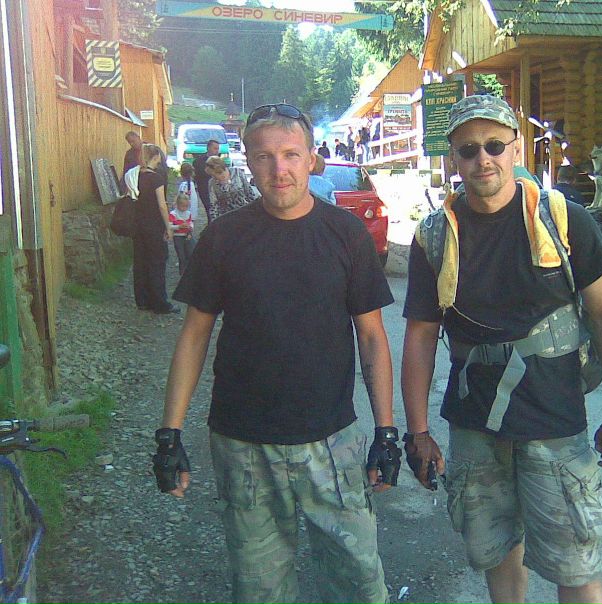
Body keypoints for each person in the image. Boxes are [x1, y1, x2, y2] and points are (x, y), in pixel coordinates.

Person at [152, 102, 400, 604]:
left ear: (312, 159)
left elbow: (373, 337)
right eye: (264, 156)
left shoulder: (346, 234)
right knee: (260, 590)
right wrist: (169, 433)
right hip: (243, 444)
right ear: (248, 161)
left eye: (290, 154)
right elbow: (194, 335)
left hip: (331, 440)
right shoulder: (223, 237)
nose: (278, 169)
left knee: (359, 583)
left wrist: (387, 433)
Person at [400, 95, 602, 604]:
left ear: (515, 148)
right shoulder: (435, 236)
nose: (482, 159)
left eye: (494, 145)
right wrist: (417, 432)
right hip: (474, 424)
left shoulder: (564, 220)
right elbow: (420, 336)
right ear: (453, 158)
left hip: (555, 420)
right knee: (497, 556)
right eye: (468, 150)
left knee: (576, 565)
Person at [132, 144, 179, 314]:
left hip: (138, 225)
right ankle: (159, 302)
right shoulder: (156, 178)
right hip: (153, 225)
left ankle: (142, 300)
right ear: (156, 156)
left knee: (140, 262)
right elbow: (161, 205)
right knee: (157, 262)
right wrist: (168, 227)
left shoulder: (135, 176)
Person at [205, 155, 258, 221]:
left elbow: (249, 193)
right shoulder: (212, 183)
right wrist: (214, 222)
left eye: (216, 174)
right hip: (226, 218)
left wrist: (254, 212)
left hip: (245, 214)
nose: (215, 177)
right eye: (212, 175)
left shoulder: (237, 172)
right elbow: (213, 205)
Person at [192, 139, 220, 222]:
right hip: (204, 189)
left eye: (218, 149)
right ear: (208, 148)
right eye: (215, 148)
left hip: (217, 189)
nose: (217, 151)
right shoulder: (199, 161)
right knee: (209, 209)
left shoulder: (219, 161)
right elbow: (196, 176)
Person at [169, 192, 196, 275]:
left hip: (187, 235)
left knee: (190, 252)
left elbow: (190, 222)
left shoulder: (188, 213)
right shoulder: (173, 214)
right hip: (178, 237)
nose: (184, 208)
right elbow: (169, 226)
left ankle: (189, 271)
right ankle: (182, 272)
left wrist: (191, 227)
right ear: (177, 205)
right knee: (181, 255)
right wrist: (179, 227)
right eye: (182, 206)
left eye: (186, 206)